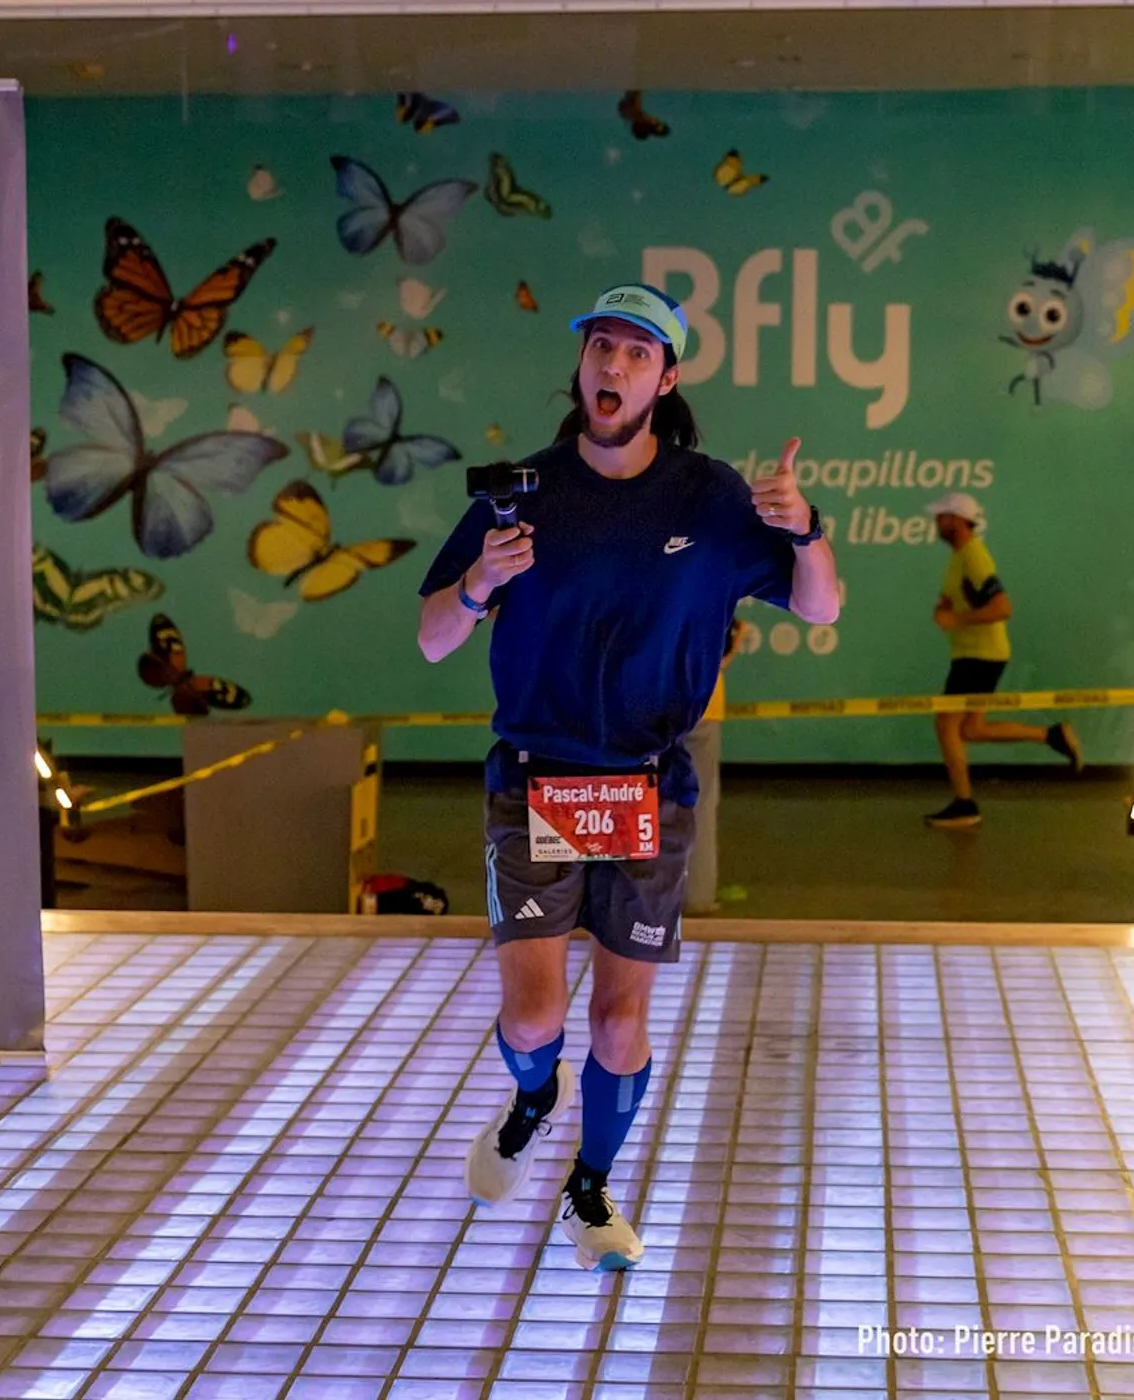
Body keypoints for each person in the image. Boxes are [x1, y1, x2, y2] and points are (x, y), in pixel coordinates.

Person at [416, 283, 841, 1272]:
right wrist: (479, 582)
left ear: (667, 377)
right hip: (533, 778)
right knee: (536, 1017)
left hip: (648, 787)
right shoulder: (520, 491)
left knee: (617, 1022)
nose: (613, 365)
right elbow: (436, 636)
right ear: (581, 366)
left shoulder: (712, 496)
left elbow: (819, 608)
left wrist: (808, 529)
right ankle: (531, 1098)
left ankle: (591, 1180)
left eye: (637, 352)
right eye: (600, 345)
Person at [924, 492, 1081, 829]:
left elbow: (1002, 608)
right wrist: (946, 611)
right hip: (975, 654)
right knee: (972, 728)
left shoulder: (974, 558)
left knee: (945, 724)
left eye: (942, 517)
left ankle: (964, 804)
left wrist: (957, 621)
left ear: (958, 520)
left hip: (978, 656)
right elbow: (957, 603)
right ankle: (1052, 736)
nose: (937, 523)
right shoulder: (959, 559)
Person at [681, 617, 744, 916]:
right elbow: (721, 658)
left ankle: (648, 896)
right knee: (702, 804)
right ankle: (699, 895)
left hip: (655, 708)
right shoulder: (716, 596)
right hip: (704, 707)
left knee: (647, 802)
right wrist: (740, 637)